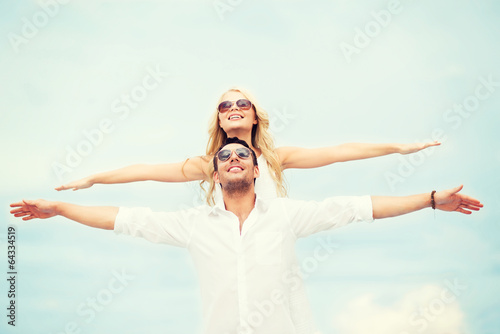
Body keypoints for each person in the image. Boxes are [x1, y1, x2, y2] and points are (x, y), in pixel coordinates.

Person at [11, 138, 482, 334]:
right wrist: (61, 207)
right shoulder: (193, 225)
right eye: (223, 157)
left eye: (242, 155)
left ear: (258, 169)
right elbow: (122, 218)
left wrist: (431, 197)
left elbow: (361, 208)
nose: (232, 158)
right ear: (214, 173)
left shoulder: (288, 216)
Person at [55, 87, 440, 205]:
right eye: (226, 106)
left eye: (243, 104)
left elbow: (343, 150)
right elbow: (142, 171)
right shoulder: (208, 164)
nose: (234, 108)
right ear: (220, 120)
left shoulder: (276, 159)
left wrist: (398, 148)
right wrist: (93, 179)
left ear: (255, 117)